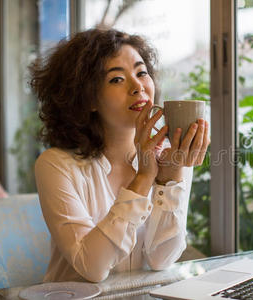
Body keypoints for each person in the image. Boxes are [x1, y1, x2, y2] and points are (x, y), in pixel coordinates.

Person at [31, 29, 209, 283]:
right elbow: (92, 268)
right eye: (116, 79)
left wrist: (169, 180)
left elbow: (162, 259)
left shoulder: (170, 158)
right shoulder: (55, 165)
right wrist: (144, 178)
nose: (138, 87)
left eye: (141, 73)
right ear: (88, 98)